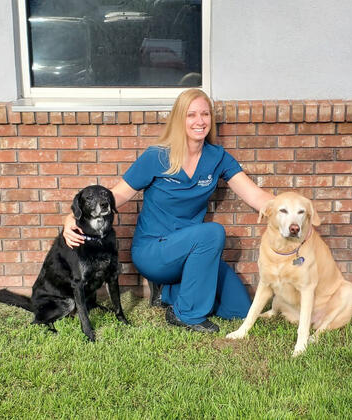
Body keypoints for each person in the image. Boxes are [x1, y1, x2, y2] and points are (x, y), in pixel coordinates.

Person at [63, 88, 274, 333]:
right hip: (153, 251)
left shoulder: (218, 158)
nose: (200, 121)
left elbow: (256, 196)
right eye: (191, 114)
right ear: (178, 119)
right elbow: (117, 194)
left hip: (191, 252)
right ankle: (185, 314)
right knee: (213, 233)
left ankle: (170, 292)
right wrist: (71, 217)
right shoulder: (157, 156)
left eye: (205, 114)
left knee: (239, 307)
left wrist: (295, 211)